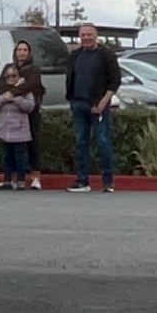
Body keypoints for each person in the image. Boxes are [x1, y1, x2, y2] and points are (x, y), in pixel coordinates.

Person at [65, 21, 121, 193]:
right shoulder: (75, 55)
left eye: (89, 34)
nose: (86, 38)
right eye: (83, 35)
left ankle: (108, 182)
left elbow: (115, 82)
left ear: (96, 35)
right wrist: (72, 100)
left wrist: (102, 103)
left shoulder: (106, 55)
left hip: (98, 105)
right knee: (80, 143)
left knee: (103, 142)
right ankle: (82, 181)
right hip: (78, 104)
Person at [0, 50, 40, 190]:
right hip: (5, 131)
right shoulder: (2, 91)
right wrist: (4, 98)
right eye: (8, 76)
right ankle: (7, 180)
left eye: (14, 76)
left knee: (20, 157)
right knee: (7, 157)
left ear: (19, 77)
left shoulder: (25, 93)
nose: (11, 78)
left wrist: (15, 97)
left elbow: (30, 107)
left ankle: (21, 181)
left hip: (19, 131)